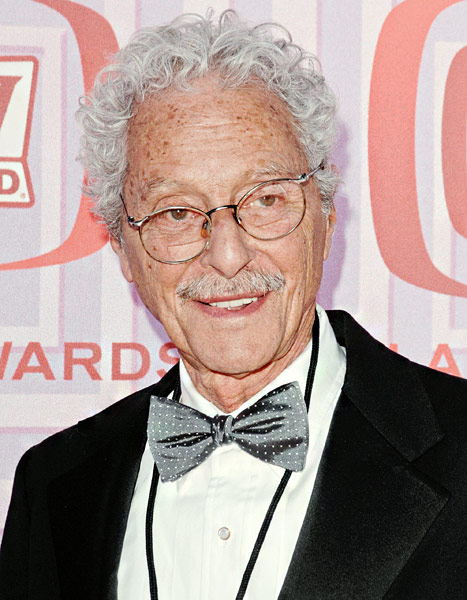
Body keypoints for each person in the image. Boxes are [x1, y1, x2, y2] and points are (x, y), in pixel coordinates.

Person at [1, 11, 466, 600]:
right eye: (176, 212)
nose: (226, 257)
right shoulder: (54, 487)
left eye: (265, 199)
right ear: (123, 247)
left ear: (325, 216)